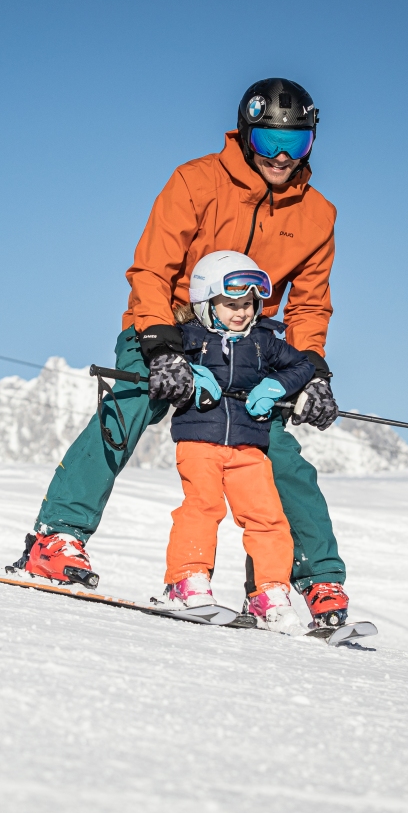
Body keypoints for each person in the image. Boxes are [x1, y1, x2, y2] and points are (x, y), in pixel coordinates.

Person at [10, 78, 357, 630]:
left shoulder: (318, 215)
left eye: (297, 143)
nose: (282, 156)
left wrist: (310, 371)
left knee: (279, 454)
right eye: (268, 142)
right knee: (127, 406)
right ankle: (55, 538)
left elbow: (310, 306)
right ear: (246, 135)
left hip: (246, 342)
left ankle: (311, 580)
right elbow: (151, 268)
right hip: (169, 323)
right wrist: (163, 347)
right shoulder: (196, 181)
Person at [155, 251, 314, 633]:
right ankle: (186, 580)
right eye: (231, 305)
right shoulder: (190, 337)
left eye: (247, 304)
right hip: (200, 440)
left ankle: (269, 594)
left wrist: (276, 385)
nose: (241, 313)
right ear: (207, 303)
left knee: (267, 517)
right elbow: (161, 358)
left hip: (248, 445)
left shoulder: (262, 343)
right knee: (203, 507)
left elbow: (304, 363)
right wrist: (190, 371)